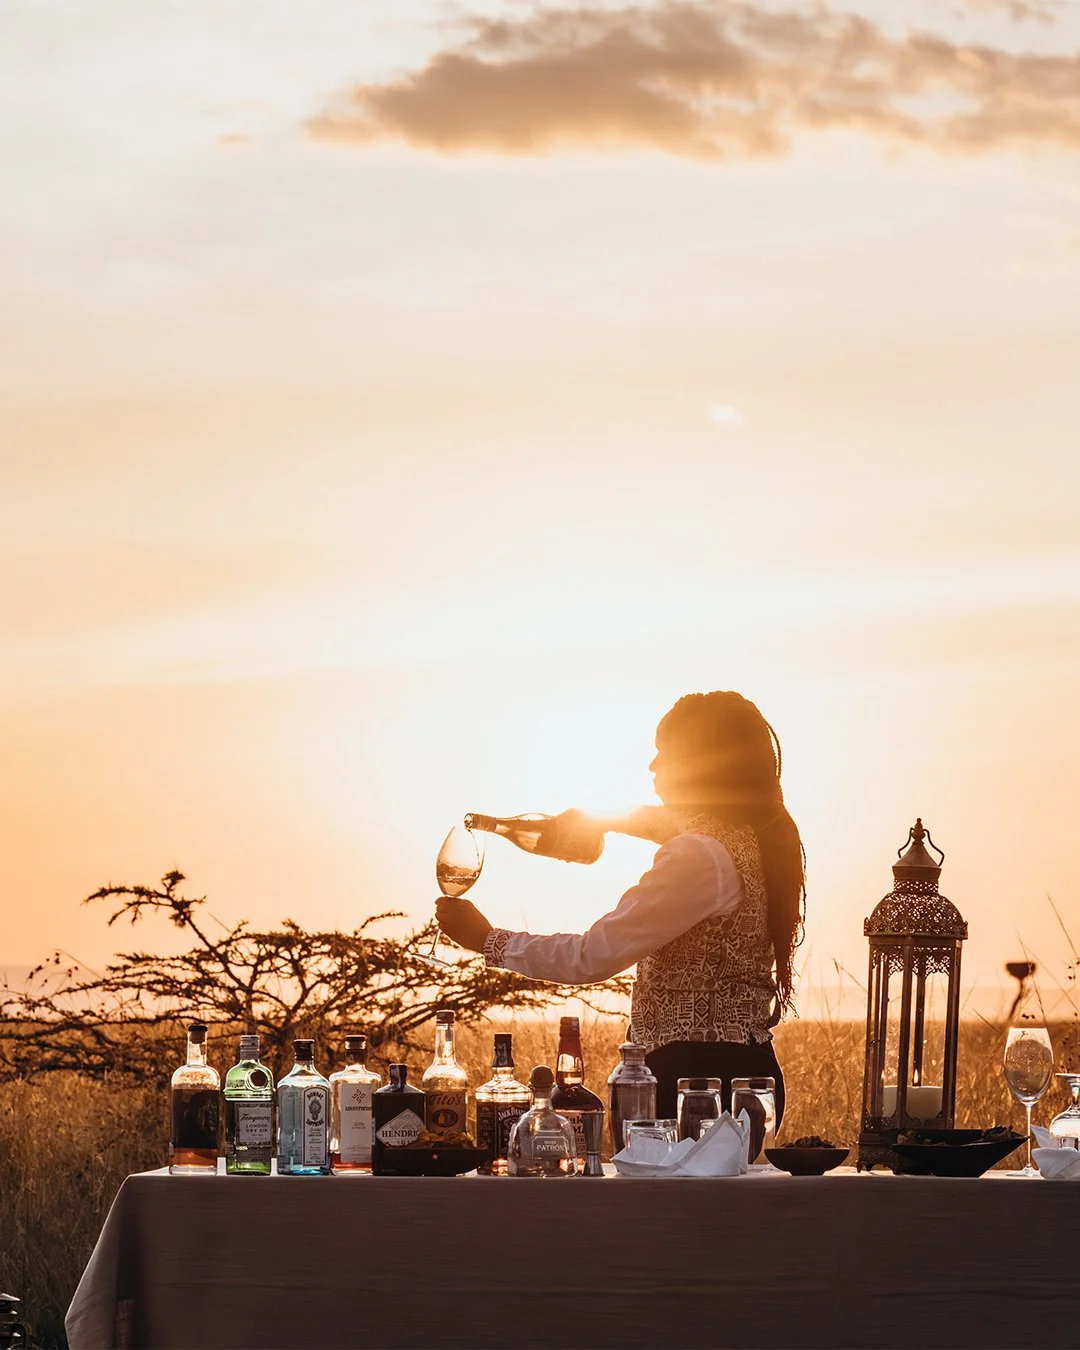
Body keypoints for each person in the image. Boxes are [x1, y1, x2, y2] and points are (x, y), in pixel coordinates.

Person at [436, 690, 806, 1127]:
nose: (652, 766)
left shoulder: (698, 854)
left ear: (701, 763)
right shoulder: (748, 835)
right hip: (740, 1071)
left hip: (694, 1082)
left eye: (664, 754)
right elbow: (665, 821)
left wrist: (488, 940)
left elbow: (592, 955)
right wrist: (606, 819)